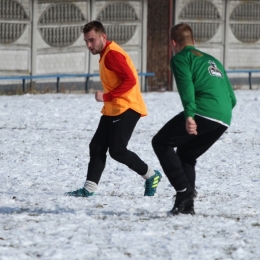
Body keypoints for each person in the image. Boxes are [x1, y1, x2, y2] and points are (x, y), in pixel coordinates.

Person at [66, 21, 161, 198]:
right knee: (97, 146)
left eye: (92, 40)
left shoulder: (112, 55)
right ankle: (89, 189)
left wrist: (106, 96)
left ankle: (152, 176)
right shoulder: (105, 53)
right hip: (114, 108)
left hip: (127, 107)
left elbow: (130, 80)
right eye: (86, 41)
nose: (89, 45)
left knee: (117, 150)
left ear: (104, 37)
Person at [152, 23, 236, 215]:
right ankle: (187, 207)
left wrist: (190, 115)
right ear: (194, 41)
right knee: (186, 154)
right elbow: (232, 97)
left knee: (160, 142)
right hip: (223, 118)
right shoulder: (212, 60)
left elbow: (186, 88)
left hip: (203, 112)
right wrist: (220, 114)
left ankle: (184, 190)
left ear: (173, 43)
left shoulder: (181, 58)